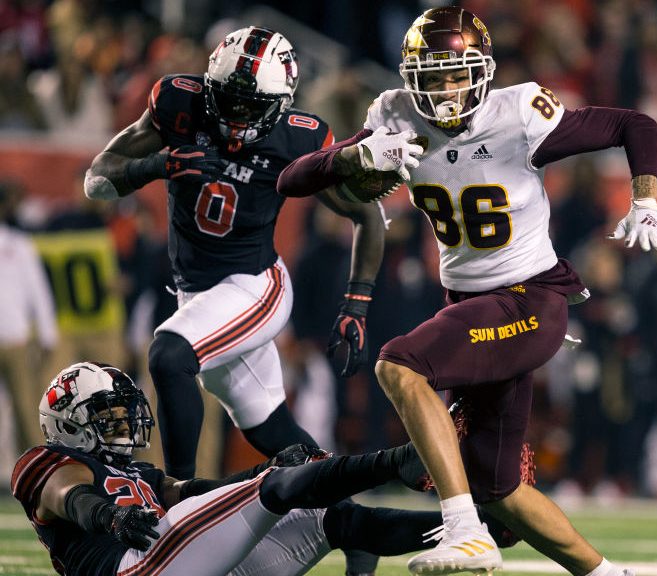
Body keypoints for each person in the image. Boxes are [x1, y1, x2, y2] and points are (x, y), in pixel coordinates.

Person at [278, 7, 657, 575]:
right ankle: (609, 573)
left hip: (528, 301)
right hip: (470, 306)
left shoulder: (518, 113)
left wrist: (645, 198)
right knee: (500, 484)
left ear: (482, 70)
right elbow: (294, 179)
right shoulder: (394, 115)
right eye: (431, 75)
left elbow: (635, 125)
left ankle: (463, 532)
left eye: (456, 73)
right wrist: (356, 155)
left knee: (399, 366)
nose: (443, 88)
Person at [81, 25, 422, 574]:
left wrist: (356, 304)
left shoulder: (298, 138)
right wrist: (156, 166)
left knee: (169, 354)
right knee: (271, 431)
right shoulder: (178, 103)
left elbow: (366, 215)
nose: (237, 115)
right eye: (230, 99)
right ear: (211, 85)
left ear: (281, 103)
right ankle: (354, 524)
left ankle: (176, 499)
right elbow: (96, 181)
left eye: (252, 104)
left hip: (254, 288)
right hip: (197, 293)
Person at [11, 361, 517, 576]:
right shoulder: (47, 462)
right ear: (68, 423)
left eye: (124, 414)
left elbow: (199, 493)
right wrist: (113, 519)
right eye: (107, 417)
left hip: (179, 560)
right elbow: (69, 497)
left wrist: (261, 468)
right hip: (130, 568)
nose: (122, 426)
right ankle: (399, 461)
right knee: (275, 490)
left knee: (323, 515)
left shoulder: (140, 475)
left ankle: (480, 529)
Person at [0, 180, 58, 456]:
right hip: (16, 336)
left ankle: (33, 475)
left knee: (26, 410)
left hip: (16, 338)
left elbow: (38, 290)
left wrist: (48, 333)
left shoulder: (20, 244)